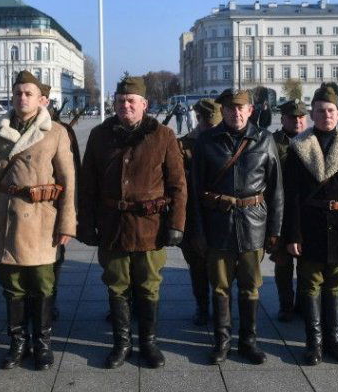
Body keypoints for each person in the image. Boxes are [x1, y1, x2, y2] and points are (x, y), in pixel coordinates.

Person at [77, 76, 187, 369]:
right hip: (112, 226)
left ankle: (148, 343)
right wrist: (85, 223)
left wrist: (177, 223)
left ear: (144, 105)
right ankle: (121, 344)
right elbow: (87, 183)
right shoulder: (101, 135)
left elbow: (178, 184)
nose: (126, 105)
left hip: (150, 227)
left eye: (131, 101)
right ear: (114, 103)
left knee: (149, 286)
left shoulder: (163, 135)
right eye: (121, 101)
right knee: (116, 285)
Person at [0, 71, 76, 371]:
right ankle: (17, 342)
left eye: (28, 93)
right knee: (12, 286)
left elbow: (68, 181)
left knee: (43, 284)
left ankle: (42, 343)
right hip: (6, 218)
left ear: (40, 99)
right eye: (18, 93)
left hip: (42, 219)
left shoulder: (55, 132)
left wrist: (68, 222)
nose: (22, 98)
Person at [191, 88, 283, 365]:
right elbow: (195, 190)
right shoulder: (206, 141)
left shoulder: (265, 140)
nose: (236, 113)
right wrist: (197, 230)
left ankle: (248, 341)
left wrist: (275, 230)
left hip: (253, 223)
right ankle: (222, 342)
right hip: (218, 224)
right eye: (231, 108)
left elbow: (277, 189)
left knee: (250, 287)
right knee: (220, 287)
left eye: (241, 108)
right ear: (223, 110)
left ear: (250, 110)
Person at [282, 87, 338, 365]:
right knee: (310, 285)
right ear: (312, 114)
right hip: (309, 226)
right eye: (320, 111)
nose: (326, 115)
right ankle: (314, 343)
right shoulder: (299, 147)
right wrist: (292, 233)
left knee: (335, 284)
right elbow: (292, 195)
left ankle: (334, 341)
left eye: (330, 110)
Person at [178, 99, 221, 326]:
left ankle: (221, 310)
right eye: (207, 124)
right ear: (200, 120)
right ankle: (202, 307)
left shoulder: (227, 141)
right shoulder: (184, 145)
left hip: (220, 216)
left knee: (221, 268)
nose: (211, 129)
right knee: (197, 266)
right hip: (193, 216)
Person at [39, 83, 81, 321]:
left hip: (53, 207)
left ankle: (50, 299)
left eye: (44, 99)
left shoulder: (62, 130)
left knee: (56, 256)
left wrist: (73, 211)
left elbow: (73, 173)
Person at [270, 99, 309, 322]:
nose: (297, 121)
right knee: (283, 263)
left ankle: (304, 304)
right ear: (282, 118)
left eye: (301, 117)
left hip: (307, 212)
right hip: (281, 211)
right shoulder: (273, 142)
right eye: (292, 117)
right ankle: (286, 305)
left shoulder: (314, 139)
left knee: (307, 263)